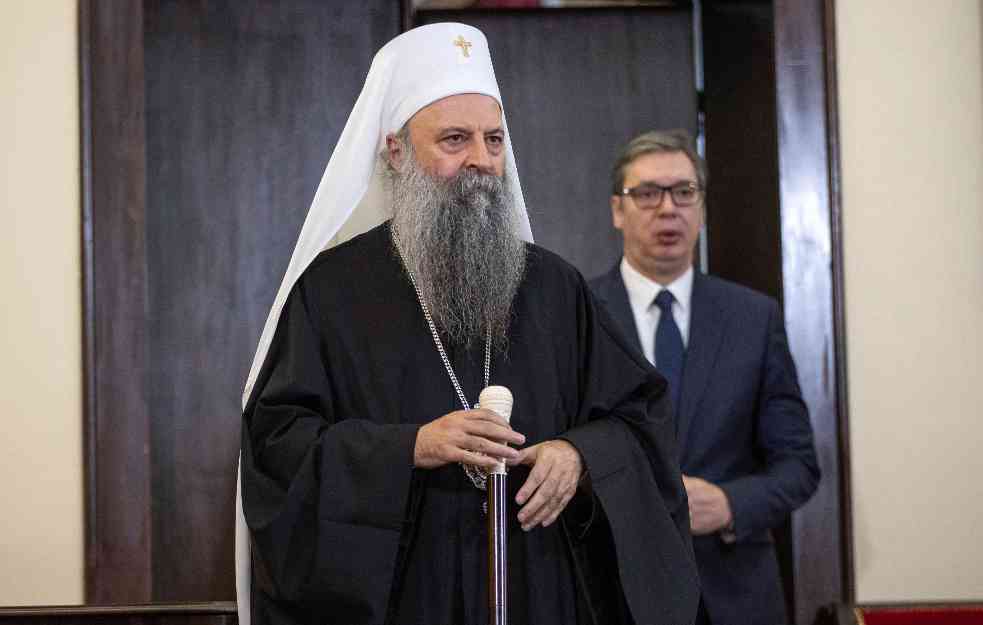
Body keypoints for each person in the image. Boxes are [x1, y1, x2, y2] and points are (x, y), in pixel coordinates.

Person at [235, 25, 699, 625]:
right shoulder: (330, 293)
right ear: (396, 152)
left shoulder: (554, 288)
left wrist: (580, 454)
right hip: (409, 600)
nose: (482, 160)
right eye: (455, 139)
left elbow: (641, 420)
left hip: (537, 590)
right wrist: (409, 447)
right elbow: (278, 451)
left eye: (494, 139)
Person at [590, 129, 821, 625]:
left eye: (683, 192)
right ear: (617, 210)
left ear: (701, 208)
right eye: (647, 194)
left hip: (735, 592)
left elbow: (799, 465)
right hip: (613, 589)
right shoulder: (582, 313)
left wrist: (730, 504)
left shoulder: (753, 318)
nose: (667, 208)